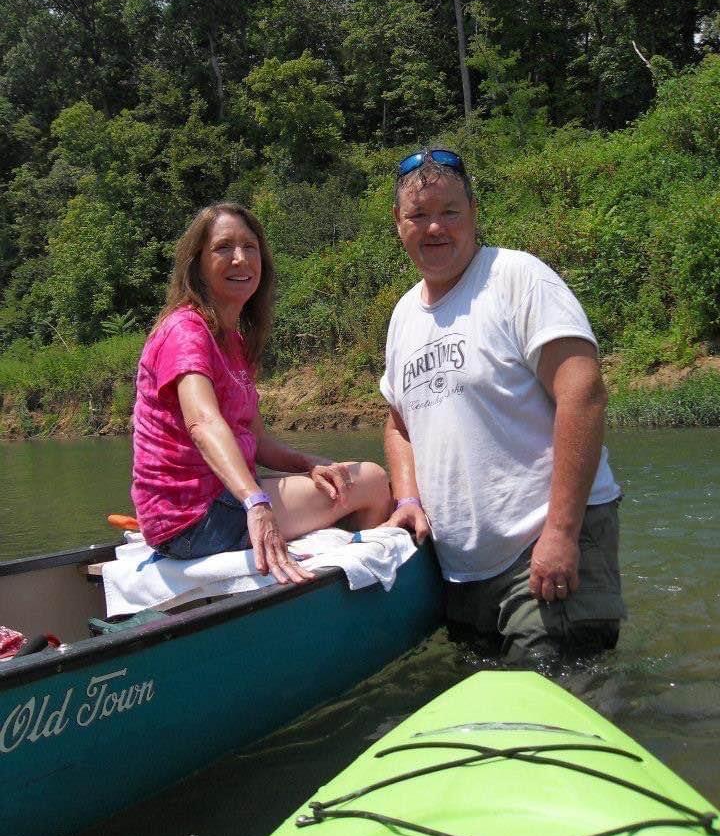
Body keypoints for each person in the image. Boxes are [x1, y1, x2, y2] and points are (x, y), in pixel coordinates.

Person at [381, 147, 625, 661]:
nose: (434, 228)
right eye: (418, 216)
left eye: (449, 212)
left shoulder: (516, 279)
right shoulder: (404, 315)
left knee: (557, 705)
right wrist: (405, 499)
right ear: (398, 224)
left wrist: (560, 534)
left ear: (473, 211)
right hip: (463, 577)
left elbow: (583, 393)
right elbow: (398, 421)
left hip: (544, 551)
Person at [132, 202, 392, 584]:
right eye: (224, 248)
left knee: (342, 475)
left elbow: (256, 440)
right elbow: (202, 422)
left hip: (217, 501)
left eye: (250, 247)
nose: (240, 259)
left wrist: (309, 463)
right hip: (191, 518)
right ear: (197, 263)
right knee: (369, 479)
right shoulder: (185, 331)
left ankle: (343, 584)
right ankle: (361, 600)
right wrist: (256, 502)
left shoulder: (233, 341)